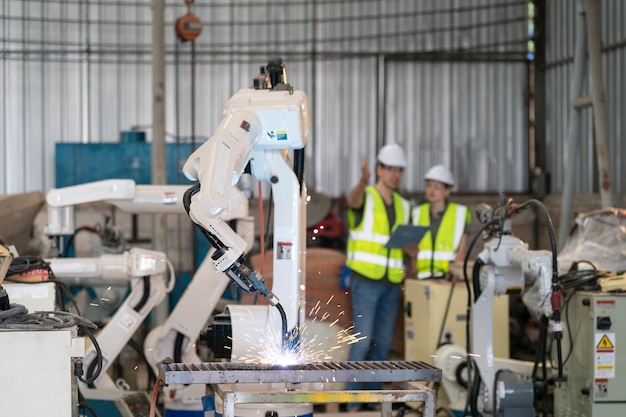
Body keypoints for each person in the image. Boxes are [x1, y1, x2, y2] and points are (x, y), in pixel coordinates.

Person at [344, 143, 411, 412]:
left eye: (399, 170)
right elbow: (352, 201)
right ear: (379, 169)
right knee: (362, 342)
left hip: (392, 283)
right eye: (390, 169)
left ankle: (375, 402)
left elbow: (398, 242)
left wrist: (410, 250)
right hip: (365, 282)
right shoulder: (366, 196)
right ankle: (351, 402)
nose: (395, 174)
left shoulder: (404, 205)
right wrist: (362, 181)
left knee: (382, 344)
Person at [407, 164, 471, 279]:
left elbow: (461, 251)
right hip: (421, 277)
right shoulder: (416, 213)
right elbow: (412, 249)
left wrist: (454, 276)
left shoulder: (460, 213)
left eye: (437, 186)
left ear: (447, 191)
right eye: (429, 185)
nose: (432, 190)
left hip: (447, 278)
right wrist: (413, 274)